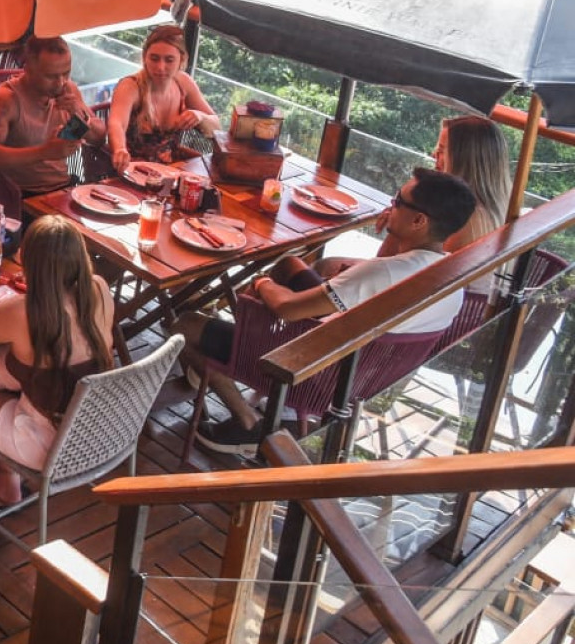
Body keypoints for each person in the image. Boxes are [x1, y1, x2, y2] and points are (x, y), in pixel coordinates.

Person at [176, 168, 480, 457]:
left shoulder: (385, 275)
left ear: (419, 221)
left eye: (398, 201)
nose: (391, 205)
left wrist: (261, 281)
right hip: (355, 378)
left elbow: (288, 308)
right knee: (289, 265)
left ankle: (247, 422)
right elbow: (385, 269)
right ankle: (224, 354)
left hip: (308, 374)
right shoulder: (450, 275)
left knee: (184, 325)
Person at [0, 217, 115, 507]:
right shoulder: (99, 289)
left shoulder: (24, 312)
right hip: (96, 432)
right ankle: (5, 477)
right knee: (4, 373)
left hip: (46, 446)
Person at [0, 36, 96, 220]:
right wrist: (44, 152)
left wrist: (80, 111)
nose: (60, 82)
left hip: (63, 190)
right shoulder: (6, 100)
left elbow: (100, 137)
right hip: (18, 199)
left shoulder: (69, 91)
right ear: (28, 68)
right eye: (51, 76)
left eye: (66, 73)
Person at [104, 24, 220, 168]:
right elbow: (116, 123)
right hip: (132, 171)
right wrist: (120, 149)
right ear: (145, 57)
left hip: (171, 171)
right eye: (154, 58)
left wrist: (200, 116)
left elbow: (217, 126)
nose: (160, 67)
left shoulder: (183, 82)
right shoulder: (130, 86)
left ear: (181, 60)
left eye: (169, 60)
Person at [433, 115, 510, 250]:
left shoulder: (465, 222)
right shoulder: (497, 209)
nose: (434, 154)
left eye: (441, 150)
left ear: (463, 159)